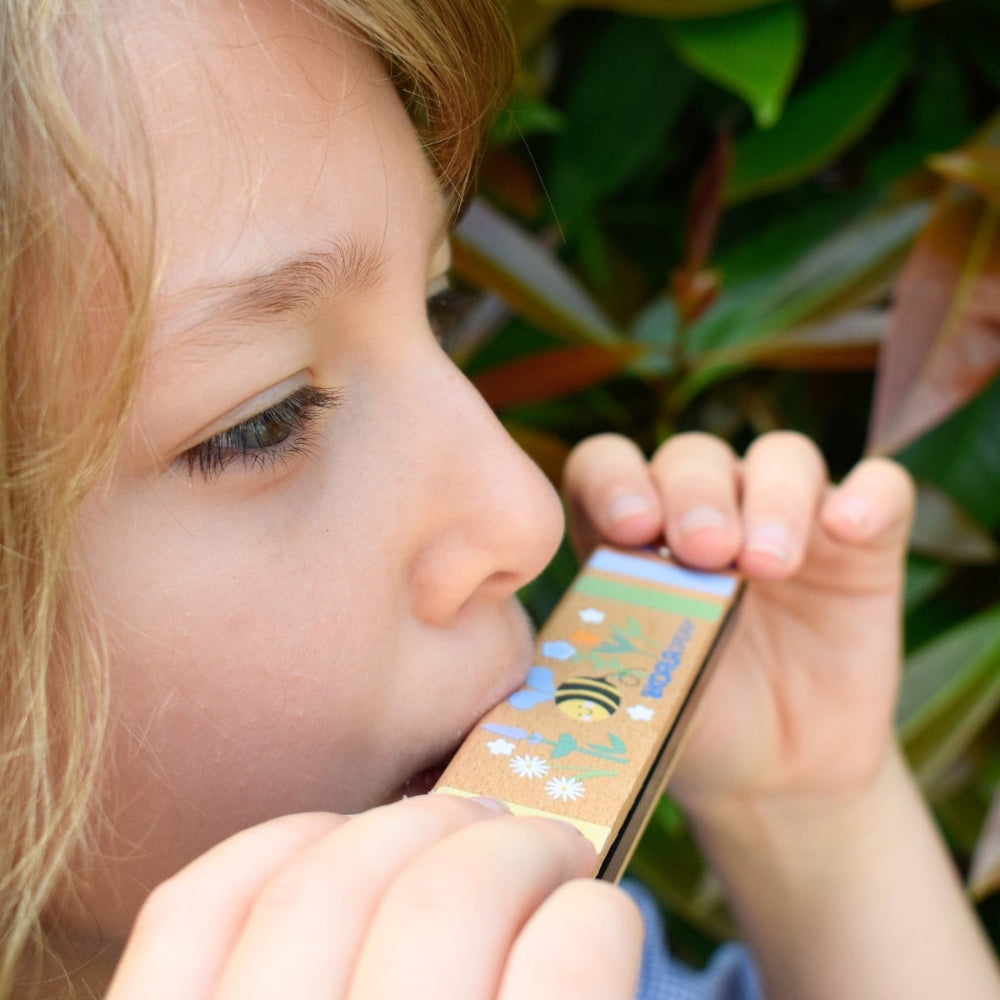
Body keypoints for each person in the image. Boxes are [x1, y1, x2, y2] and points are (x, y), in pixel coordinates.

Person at [1, 0, 998, 997]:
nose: (526, 513)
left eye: (438, 304)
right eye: (262, 419)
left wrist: (811, 825)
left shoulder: (515, 946)